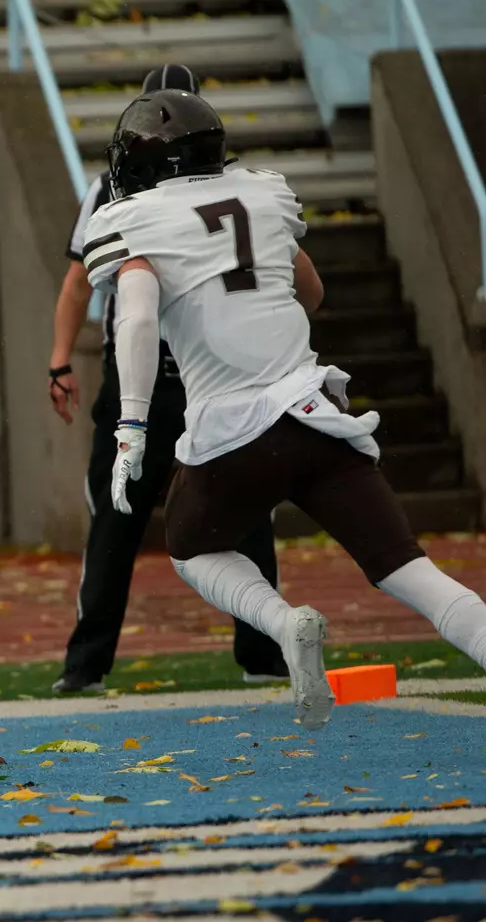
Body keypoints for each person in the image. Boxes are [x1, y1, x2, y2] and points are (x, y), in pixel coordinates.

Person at [82, 87, 486, 729]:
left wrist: (131, 423)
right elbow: (309, 290)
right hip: (316, 415)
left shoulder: (135, 221)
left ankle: (285, 625)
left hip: (233, 432)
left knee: (191, 548)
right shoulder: (263, 195)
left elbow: (139, 319)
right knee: (405, 565)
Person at [48, 65, 288, 693]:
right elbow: (302, 283)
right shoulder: (231, 189)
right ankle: (87, 660)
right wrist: (59, 357)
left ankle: (263, 650)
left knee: (241, 513)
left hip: (203, 379)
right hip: (201, 377)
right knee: (119, 519)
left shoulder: (225, 189)